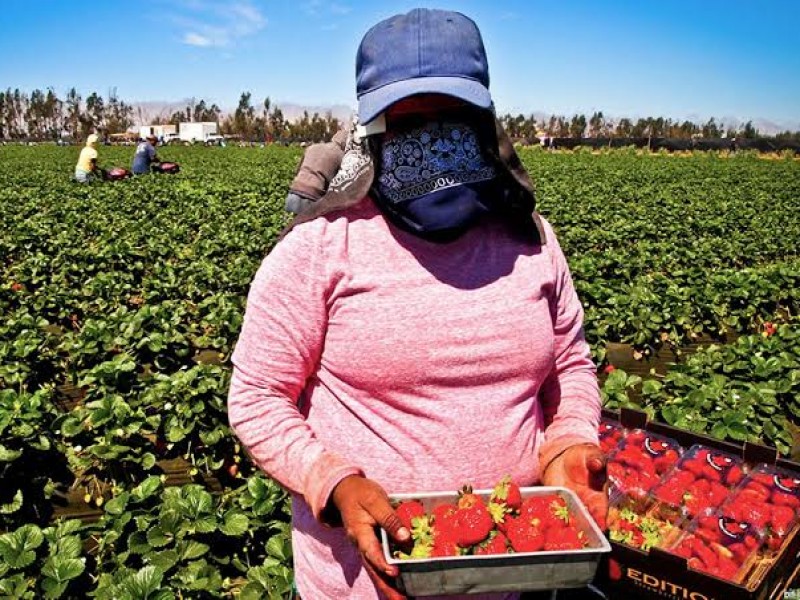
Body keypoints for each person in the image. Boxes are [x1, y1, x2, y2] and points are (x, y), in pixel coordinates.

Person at [228, 8, 606, 600]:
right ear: (372, 127)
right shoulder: (323, 245)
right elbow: (256, 397)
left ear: (483, 120)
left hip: (515, 570)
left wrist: (570, 441)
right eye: (407, 121)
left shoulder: (529, 239)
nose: (431, 140)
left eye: (450, 117)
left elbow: (571, 365)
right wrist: (333, 482)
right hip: (361, 581)